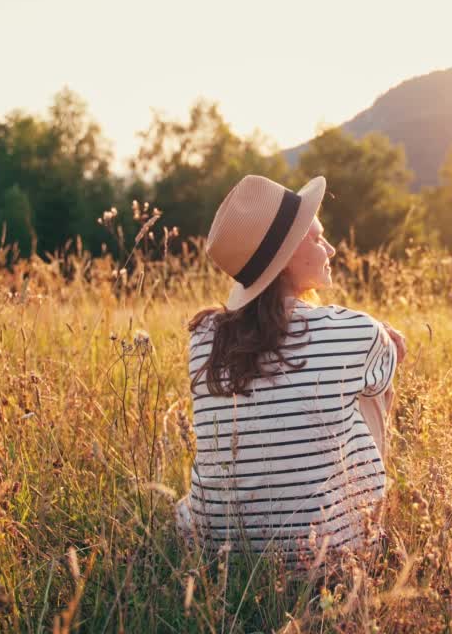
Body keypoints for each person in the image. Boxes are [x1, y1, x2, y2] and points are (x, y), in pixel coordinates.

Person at [174, 174, 406, 567]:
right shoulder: (357, 331)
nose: (330, 248)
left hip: (220, 556)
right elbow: (387, 368)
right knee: (372, 392)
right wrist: (386, 341)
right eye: (317, 239)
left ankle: (245, 522)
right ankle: (367, 526)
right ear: (283, 263)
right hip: (328, 554)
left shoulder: (203, 337)